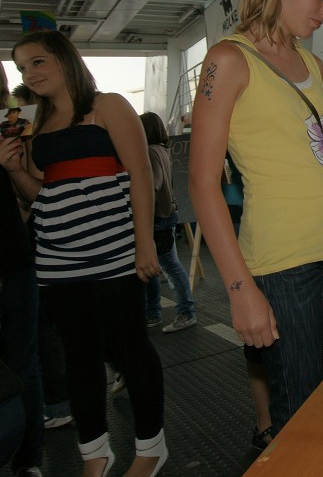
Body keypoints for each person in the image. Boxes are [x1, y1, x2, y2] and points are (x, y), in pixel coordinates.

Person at [188, 0, 323, 436]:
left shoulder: (313, 64)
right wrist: (239, 288)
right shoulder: (227, 61)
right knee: (300, 416)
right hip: (279, 266)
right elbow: (203, 183)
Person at [3, 30, 167, 476]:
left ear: (63, 59)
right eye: (21, 67)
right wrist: (16, 169)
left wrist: (144, 242)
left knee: (130, 349)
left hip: (114, 251)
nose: (29, 73)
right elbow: (39, 195)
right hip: (56, 259)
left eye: (37, 62)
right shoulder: (36, 126)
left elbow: (139, 173)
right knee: (78, 357)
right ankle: (94, 453)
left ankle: (151, 447)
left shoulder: (107, 105)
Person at [0, 65, 44, 476]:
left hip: (12, 260)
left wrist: (13, 166)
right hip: (15, 260)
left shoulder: (11, 126)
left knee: (24, 363)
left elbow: (30, 193)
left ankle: (29, 459)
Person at [140, 112, 197, 333]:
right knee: (160, 266)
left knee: (167, 267)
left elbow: (151, 185)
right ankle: (156, 312)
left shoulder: (148, 152)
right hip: (167, 214)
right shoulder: (164, 150)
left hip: (156, 218)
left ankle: (184, 312)